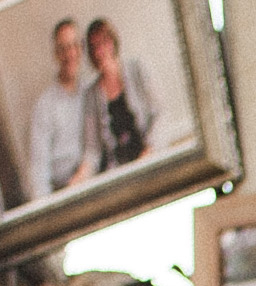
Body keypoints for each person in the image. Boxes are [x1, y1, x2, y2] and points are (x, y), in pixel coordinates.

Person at [23, 20, 93, 200]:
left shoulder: (92, 91)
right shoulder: (44, 106)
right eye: (63, 49)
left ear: (81, 49)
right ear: (55, 54)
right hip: (65, 192)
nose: (70, 54)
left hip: (95, 178)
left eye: (74, 46)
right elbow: (38, 169)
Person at [84, 18, 162, 174]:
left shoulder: (137, 68)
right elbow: (93, 149)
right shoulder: (91, 95)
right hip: (119, 170)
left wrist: (149, 151)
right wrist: (80, 176)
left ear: (113, 42)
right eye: (94, 47)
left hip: (150, 157)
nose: (100, 52)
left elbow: (159, 114)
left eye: (104, 43)